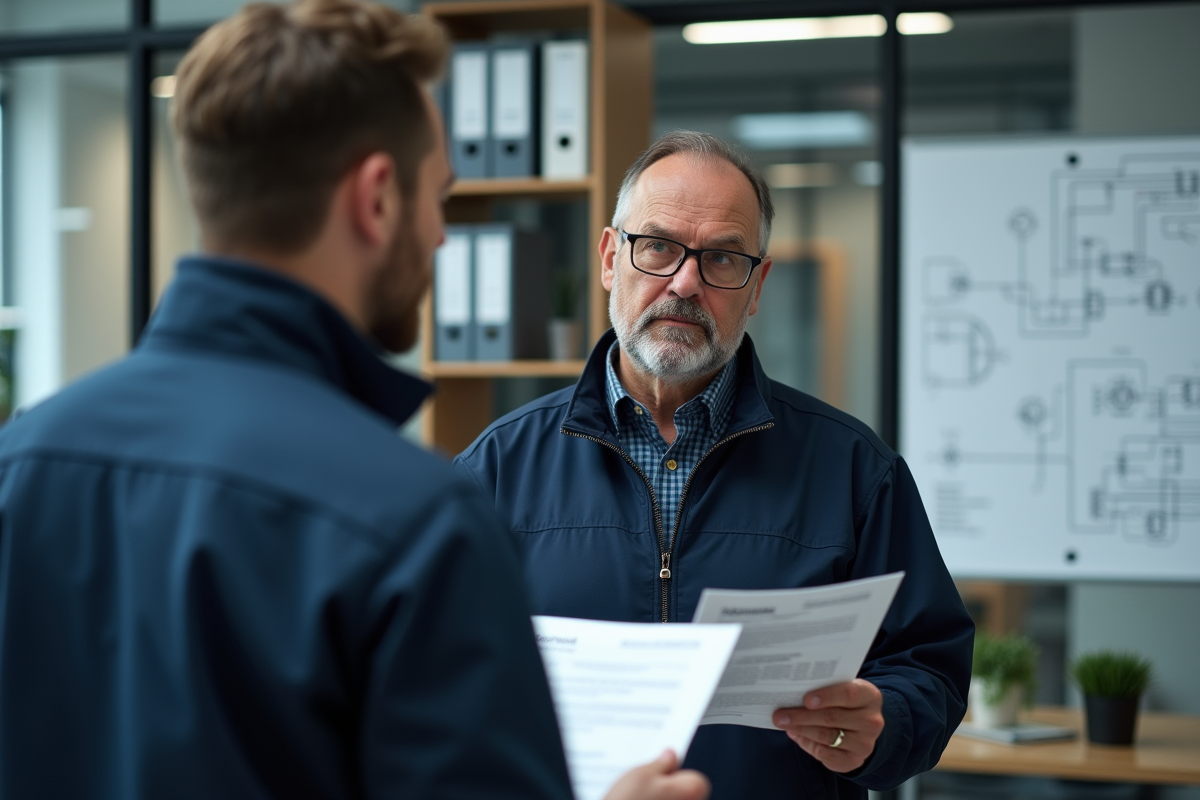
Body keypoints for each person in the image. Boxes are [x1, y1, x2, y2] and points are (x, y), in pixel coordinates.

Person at [0, 4, 709, 799]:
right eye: (438, 195)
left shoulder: (21, 464)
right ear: (376, 198)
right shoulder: (416, 521)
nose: (444, 237)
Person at [455, 131, 975, 800]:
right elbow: (441, 688)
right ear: (612, 258)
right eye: (660, 247)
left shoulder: (854, 470)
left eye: (723, 258)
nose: (686, 282)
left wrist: (887, 721)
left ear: (757, 286)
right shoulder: (496, 471)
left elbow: (929, 665)